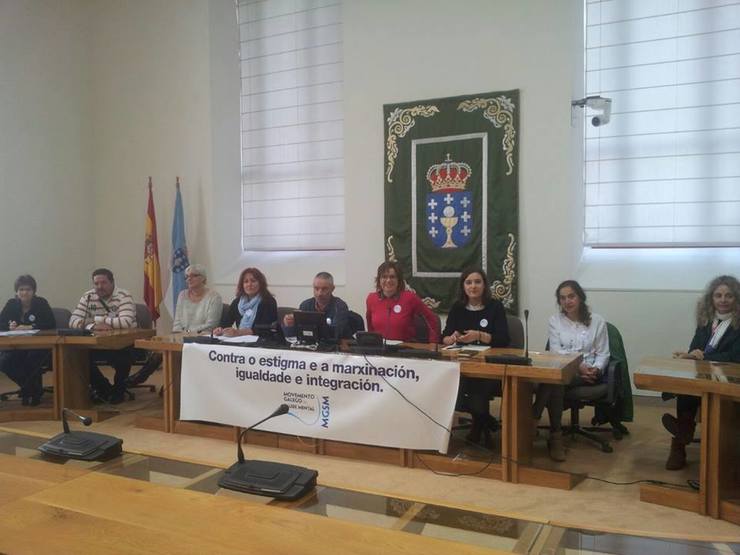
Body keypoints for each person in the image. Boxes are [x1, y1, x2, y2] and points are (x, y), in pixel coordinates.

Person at [663, 275, 740, 470]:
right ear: (711, 299)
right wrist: (688, 355)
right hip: (705, 377)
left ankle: (681, 437)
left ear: (736, 299)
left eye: (729, 296)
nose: (723, 300)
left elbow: (735, 356)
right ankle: (682, 439)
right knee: (686, 390)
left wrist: (702, 356)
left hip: (730, 381)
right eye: (718, 295)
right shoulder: (706, 322)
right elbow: (695, 348)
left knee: (694, 393)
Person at [533, 280, 609, 462]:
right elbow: (556, 350)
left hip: (589, 374)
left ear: (580, 297)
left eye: (571, 296)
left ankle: (534, 418)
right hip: (565, 370)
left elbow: (603, 353)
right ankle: (555, 436)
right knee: (557, 380)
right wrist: (577, 366)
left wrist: (595, 370)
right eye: (562, 298)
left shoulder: (597, 321)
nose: (567, 301)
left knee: (554, 380)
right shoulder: (555, 321)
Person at [442, 268, 510, 447]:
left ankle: (480, 422)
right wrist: (451, 338)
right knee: (448, 387)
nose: (473, 286)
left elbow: (504, 340)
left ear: (484, 285)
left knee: (476, 390)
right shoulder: (458, 307)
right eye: (469, 282)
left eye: (477, 282)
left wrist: (479, 335)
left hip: (488, 367)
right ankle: (485, 418)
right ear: (463, 286)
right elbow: (445, 336)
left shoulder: (495, 307)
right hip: (461, 364)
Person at [69, 268, 137, 404]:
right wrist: (92, 326)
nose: (99, 287)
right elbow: (73, 321)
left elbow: (125, 322)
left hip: (123, 343)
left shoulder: (124, 295)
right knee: (77, 356)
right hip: (97, 344)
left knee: (123, 357)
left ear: (112, 282)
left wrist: (98, 319)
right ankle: (104, 389)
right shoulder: (88, 297)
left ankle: (119, 391)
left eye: (104, 283)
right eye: (96, 284)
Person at [0, 275, 56, 405]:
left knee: (31, 359)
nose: (24, 292)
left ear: (34, 291)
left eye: (28, 289)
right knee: (4, 362)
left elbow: (50, 323)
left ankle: (31, 391)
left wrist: (31, 326)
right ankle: (31, 388)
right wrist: (9, 326)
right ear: (16, 292)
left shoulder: (41, 303)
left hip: (39, 347)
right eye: (21, 289)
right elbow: (1, 322)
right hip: (16, 346)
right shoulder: (11, 304)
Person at [365, 261, 440, 343]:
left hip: (404, 350)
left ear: (399, 280)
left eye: (392, 277)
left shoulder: (410, 297)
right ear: (379, 280)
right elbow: (370, 327)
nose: (388, 280)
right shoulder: (371, 299)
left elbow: (432, 319)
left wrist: (433, 344)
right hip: (380, 351)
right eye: (384, 277)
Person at [282, 272, 351, 340]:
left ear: (332, 289)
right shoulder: (305, 305)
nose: (319, 293)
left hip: (333, 348)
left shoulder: (339, 306)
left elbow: (336, 334)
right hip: (309, 346)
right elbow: (294, 335)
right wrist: (290, 325)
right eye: (316, 288)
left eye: (324, 289)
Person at [214, 267, 278, 337]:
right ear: (242, 285)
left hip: (261, 341)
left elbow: (266, 328)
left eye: (253, 281)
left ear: (261, 283)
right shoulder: (237, 302)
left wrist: (239, 332)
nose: (249, 284)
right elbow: (226, 323)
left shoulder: (268, 301)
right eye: (246, 282)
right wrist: (220, 329)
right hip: (240, 340)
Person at [172, 264, 223, 333]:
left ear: (203, 278)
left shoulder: (214, 297)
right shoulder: (182, 295)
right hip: (181, 338)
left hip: (203, 340)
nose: (189, 279)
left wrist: (188, 331)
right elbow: (177, 324)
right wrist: (177, 336)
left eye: (194, 275)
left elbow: (211, 326)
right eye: (187, 277)